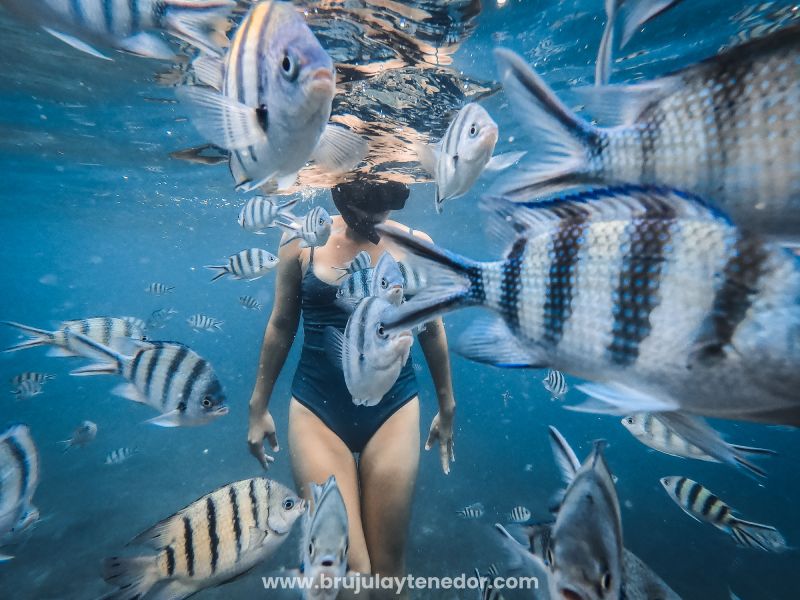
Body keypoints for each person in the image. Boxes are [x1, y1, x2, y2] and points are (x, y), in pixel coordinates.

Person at [247, 179, 456, 591]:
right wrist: (258, 406)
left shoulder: (417, 244)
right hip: (317, 414)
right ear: (339, 190)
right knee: (349, 575)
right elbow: (281, 324)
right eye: (364, 203)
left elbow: (432, 329)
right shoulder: (302, 239)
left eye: (386, 203)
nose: (374, 216)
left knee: (388, 572)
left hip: (393, 410)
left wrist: (447, 408)